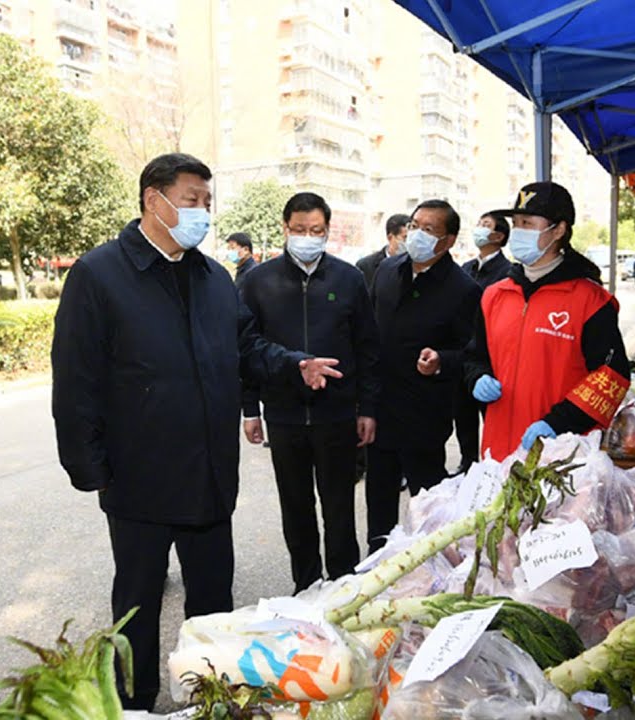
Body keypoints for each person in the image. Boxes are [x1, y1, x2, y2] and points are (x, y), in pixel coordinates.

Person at [51, 153, 342, 711]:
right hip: (138, 477)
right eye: (191, 200)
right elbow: (76, 377)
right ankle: (132, 701)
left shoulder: (211, 278)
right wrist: (87, 466)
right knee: (136, 602)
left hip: (209, 472)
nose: (202, 213)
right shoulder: (100, 274)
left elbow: (246, 347)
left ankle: (208, 695)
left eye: (208, 202)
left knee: (213, 602)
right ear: (152, 200)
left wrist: (292, 364)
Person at [238, 192, 380, 593]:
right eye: (299, 230)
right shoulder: (258, 281)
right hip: (284, 416)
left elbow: (368, 349)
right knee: (295, 507)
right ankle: (305, 585)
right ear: (285, 229)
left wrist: (366, 408)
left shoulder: (348, 278)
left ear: (327, 231)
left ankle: (342, 586)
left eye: (316, 230)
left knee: (338, 507)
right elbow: (246, 349)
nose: (307, 237)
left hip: (336, 415)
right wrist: (250, 409)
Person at [465, 182, 630, 462]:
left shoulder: (590, 301)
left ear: (558, 230)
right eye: (515, 223)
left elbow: (612, 376)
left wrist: (559, 423)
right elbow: (474, 356)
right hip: (498, 450)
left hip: (560, 451)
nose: (518, 231)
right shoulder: (495, 295)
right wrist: (476, 377)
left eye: (528, 223)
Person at [365, 200, 480, 553]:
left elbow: (473, 353)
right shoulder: (387, 270)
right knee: (379, 501)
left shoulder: (464, 289)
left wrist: (441, 360)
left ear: (448, 240)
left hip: (425, 415)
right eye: (415, 225)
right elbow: (367, 334)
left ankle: (430, 567)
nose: (417, 234)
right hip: (380, 409)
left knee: (429, 506)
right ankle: (377, 562)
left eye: (429, 230)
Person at [453, 212, 513, 472]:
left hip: (491, 357)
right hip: (463, 353)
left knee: (492, 416)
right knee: (463, 414)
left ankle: (495, 464)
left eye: (485, 225)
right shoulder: (466, 269)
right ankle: (468, 462)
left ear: (498, 236)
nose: (479, 229)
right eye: (479, 223)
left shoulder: (507, 272)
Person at [357, 213, 410, 290]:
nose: (409, 242)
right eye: (405, 238)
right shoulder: (366, 266)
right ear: (390, 237)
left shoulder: (417, 265)